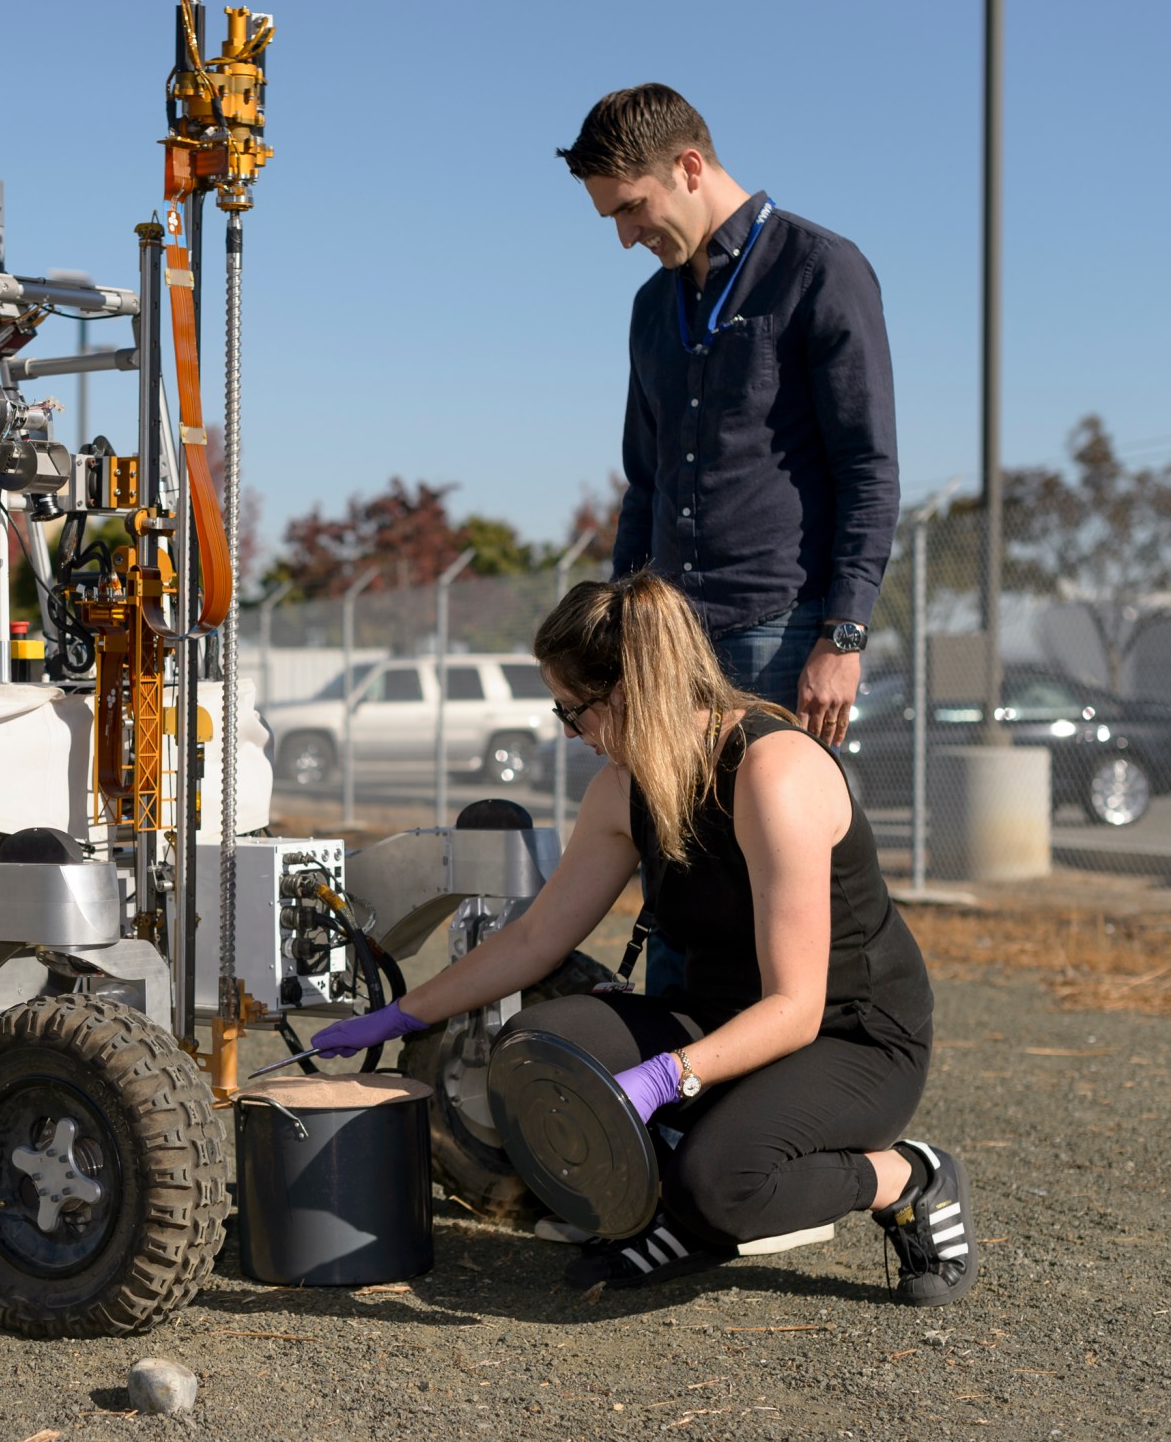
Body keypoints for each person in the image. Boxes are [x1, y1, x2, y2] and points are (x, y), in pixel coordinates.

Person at [312, 573, 976, 1306]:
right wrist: (405, 1015)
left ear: (627, 694)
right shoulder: (624, 788)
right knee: (538, 1044)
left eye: (573, 712)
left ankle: (906, 1177)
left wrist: (664, 1077)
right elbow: (538, 938)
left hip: (849, 1039)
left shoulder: (773, 773)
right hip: (721, 1016)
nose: (573, 733)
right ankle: (679, 1210)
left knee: (723, 1183)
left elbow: (796, 1008)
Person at [557, 82, 900, 999]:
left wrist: (843, 634)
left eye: (631, 207)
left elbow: (868, 468)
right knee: (674, 869)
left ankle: (798, 1095)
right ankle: (672, 1086)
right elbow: (647, 482)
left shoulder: (821, 270)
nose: (626, 234)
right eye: (611, 218)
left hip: (781, 634)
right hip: (670, 641)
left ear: (691, 167)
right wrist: (621, 637)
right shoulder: (649, 311)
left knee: (774, 882)